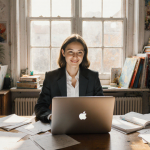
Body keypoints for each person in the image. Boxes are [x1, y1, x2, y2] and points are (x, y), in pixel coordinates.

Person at [34, 34, 103, 123]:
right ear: (63, 52)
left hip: (86, 125)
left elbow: (101, 106)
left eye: (79, 52)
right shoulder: (51, 77)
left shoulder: (93, 77)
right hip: (61, 124)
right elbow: (40, 107)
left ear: (84, 54)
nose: (75, 56)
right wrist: (51, 117)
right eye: (70, 52)